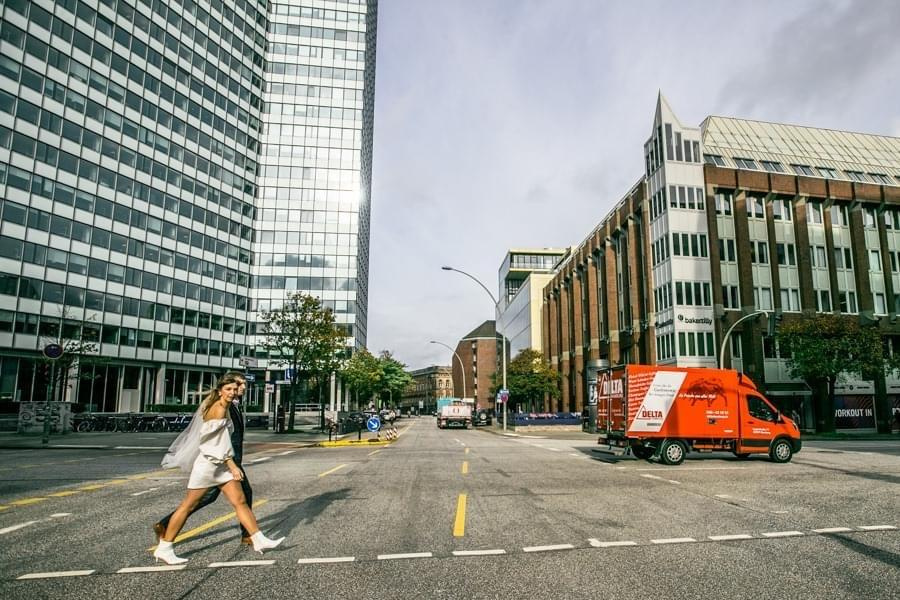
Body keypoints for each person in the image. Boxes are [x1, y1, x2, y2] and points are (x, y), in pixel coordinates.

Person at [153, 373, 283, 564]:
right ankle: (165, 546)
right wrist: (232, 465)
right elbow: (214, 444)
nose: (233, 392)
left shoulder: (226, 406)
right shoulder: (219, 408)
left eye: (235, 388)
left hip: (220, 466)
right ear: (220, 390)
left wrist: (229, 465)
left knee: (240, 501)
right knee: (188, 505)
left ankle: (258, 538)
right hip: (210, 465)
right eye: (229, 389)